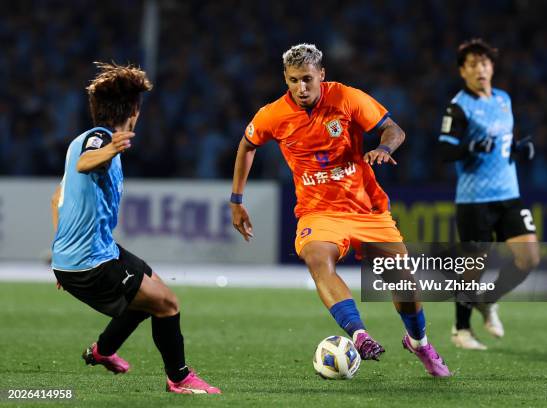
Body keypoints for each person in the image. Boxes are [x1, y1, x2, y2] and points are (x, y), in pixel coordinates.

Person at [230, 43, 450, 377]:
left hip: (366, 208)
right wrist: (236, 200)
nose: (300, 88)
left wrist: (383, 147)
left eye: (307, 79)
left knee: (403, 282)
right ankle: (359, 334)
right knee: (318, 259)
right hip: (318, 212)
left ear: (321, 74)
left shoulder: (347, 98)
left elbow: (395, 129)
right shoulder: (272, 115)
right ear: (285, 79)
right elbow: (248, 144)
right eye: (292, 81)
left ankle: (418, 343)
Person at [51, 62, 221, 394]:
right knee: (167, 304)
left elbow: (57, 196)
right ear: (134, 111)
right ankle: (180, 379)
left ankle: (103, 351)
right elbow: (88, 163)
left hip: (89, 253)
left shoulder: (78, 141)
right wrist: (110, 148)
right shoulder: (100, 139)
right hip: (91, 264)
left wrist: (61, 253)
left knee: (150, 287)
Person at [438, 39, 540, 350]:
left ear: (492, 67)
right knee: (473, 265)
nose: (480, 69)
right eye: (472, 64)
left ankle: (488, 300)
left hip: (509, 194)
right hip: (474, 199)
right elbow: (444, 149)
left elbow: (502, 139)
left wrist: (517, 148)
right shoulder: (458, 107)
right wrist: (469, 147)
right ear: (462, 71)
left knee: (529, 258)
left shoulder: (503, 99)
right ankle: (461, 329)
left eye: (484, 63)